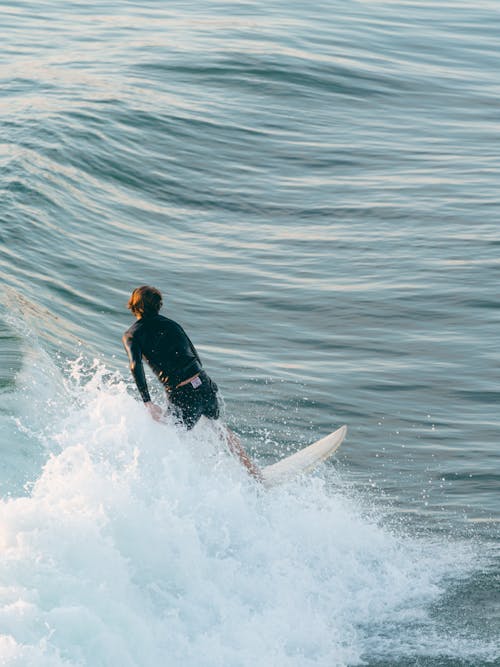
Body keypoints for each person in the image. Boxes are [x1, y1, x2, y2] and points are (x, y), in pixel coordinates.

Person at [122, 285, 262, 481]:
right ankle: (255, 474)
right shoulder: (173, 325)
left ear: (133, 306)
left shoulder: (132, 334)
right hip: (204, 384)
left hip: (183, 394)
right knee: (219, 428)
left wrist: (147, 400)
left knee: (168, 434)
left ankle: (189, 483)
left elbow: (135, 365)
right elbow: (194, 354)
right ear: (158, 305)